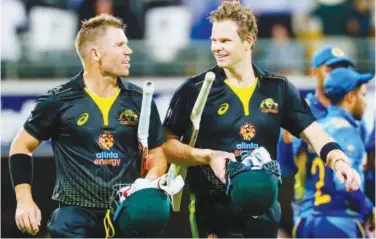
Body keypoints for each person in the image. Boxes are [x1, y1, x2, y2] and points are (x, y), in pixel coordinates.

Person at [163, 2, 361, 238]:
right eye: (214, 40)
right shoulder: (194, 89)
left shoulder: (278, 88)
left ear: (248, 41)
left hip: (264, 213)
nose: (216, 48)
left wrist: (339, 161)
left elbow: (315, 134)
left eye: (225, 41)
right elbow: (166, 145)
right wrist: (207, 156)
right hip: (213, 213)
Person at [8, 14, 168, 238]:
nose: (129, 51)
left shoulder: (140, 99)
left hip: (126, 216)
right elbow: (21, 146)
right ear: (95, 53)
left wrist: (149, 180)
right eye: (120, 45)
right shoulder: (58, 100)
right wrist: (24, 199)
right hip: (73, 219)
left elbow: (157, 153)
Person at [293, 68, 375, 238]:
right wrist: (368, 209)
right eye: (362, 95)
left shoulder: (318, 128)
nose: (365, 102)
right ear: (350, 97)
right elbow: (345, 182)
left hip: (308, 218)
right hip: (339, 220)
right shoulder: (347, 131)